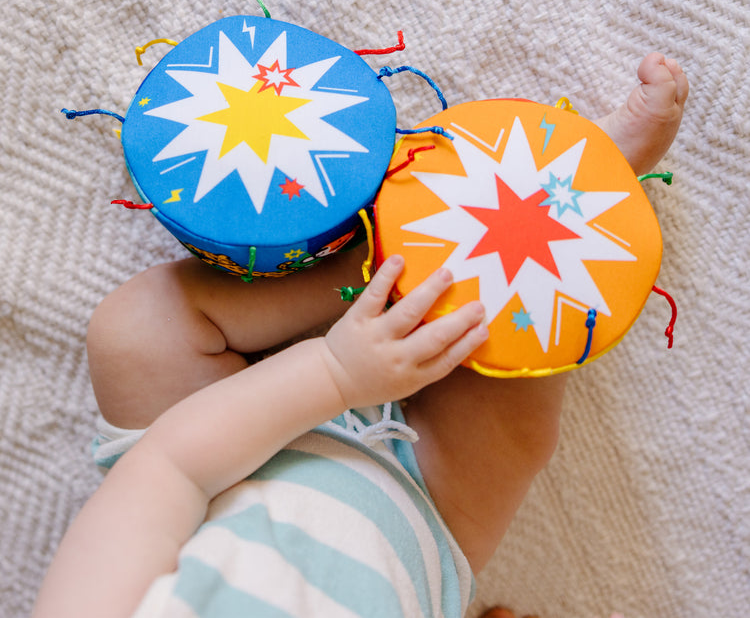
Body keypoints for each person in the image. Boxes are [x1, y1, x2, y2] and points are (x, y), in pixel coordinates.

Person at [32, 53, 687, 618]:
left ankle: (390, 253)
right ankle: (574, 191)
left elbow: (168, 470)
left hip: (214, 450)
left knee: (136, 332)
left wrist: (336, 376)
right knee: (512, 418)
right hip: (420, 511)